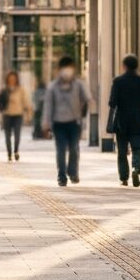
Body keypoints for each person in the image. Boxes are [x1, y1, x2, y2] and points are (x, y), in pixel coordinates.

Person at [108, 54, 140, 187]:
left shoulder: (117, 81)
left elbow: (112, 102)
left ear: (124, 66)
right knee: (137, 148)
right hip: (137, 120)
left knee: (122, 151)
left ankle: (124, 178)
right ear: (136, 66)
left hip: (121, 121)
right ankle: (136, 169)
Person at [43, 56, 91, 186]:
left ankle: (73, 172)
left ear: (73, 68)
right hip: (58, 123)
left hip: (74, 123)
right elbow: (48, 106)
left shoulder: (78, 84)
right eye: (64, 68)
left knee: (74, 148)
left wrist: (83, 110)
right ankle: (61, 176)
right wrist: (46, 124)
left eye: (69, 67)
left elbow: (87, 98)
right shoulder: (53, 86)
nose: (67, 70)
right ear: (59, 69)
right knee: (61, 150)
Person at [0, 71, 32, 161]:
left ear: (16, 80)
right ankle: (9, 153)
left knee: (17, 135)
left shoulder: (20, 89)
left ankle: (16, 150)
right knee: (7, 135)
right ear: (7, 80)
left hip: (18, 115)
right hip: (7, 115)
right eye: (10, 79)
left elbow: (25, 101)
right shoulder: (4, 89)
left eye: (14, 79)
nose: (12, 80)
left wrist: (29, 113)